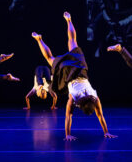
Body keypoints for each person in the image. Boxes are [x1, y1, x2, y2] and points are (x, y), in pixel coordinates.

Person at [32, 11, 117, 140]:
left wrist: (106, 131)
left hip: (80, 68)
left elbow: (100, 115)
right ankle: (39, 40)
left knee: (72, 41)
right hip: (68, 74)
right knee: (50, 58)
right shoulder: (74, 98)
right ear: (81, 106)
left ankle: (68, 20)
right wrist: (67, 135)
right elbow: (69, 117)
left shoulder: (94, 97)